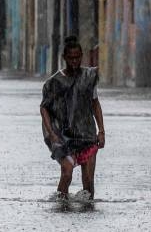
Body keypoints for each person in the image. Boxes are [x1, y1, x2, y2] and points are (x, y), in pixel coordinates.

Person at [40, 36, 105, 201]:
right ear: (65, 58)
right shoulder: (54, 82)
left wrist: (101, 130)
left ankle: (86, 208)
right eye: (71, 58)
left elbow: (95, 103)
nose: (75, 61)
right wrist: (51, 134)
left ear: (82, 56)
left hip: (87, 134)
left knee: (89, 183)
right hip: (63, 135)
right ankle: (61, 203)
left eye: (78, 57)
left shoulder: (89, 77)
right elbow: (44, 108)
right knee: (67, 172)